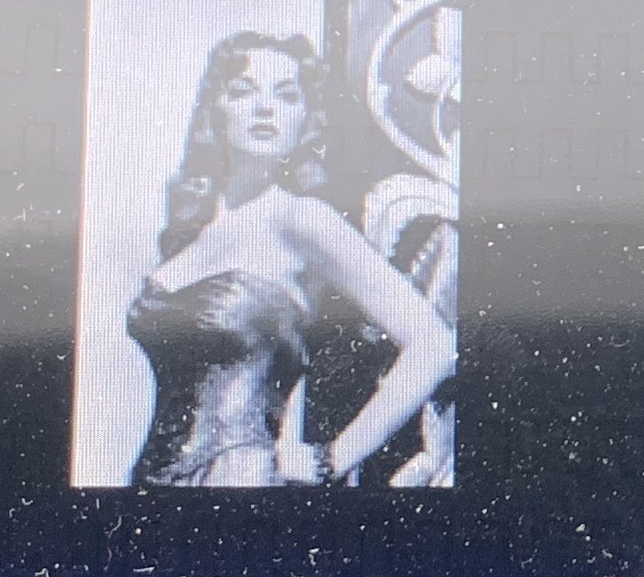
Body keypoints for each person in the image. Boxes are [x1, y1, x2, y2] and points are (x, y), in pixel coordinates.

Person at [126, 31, 455, 487]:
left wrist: (331, 459)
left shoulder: (300, 218)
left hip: (238, 479)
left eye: (286, 95)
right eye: (244, 91)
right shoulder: (193, 235)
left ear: (304, 118)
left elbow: (433, 343)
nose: (266, 108)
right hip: (149, 480)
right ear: (215, 111)